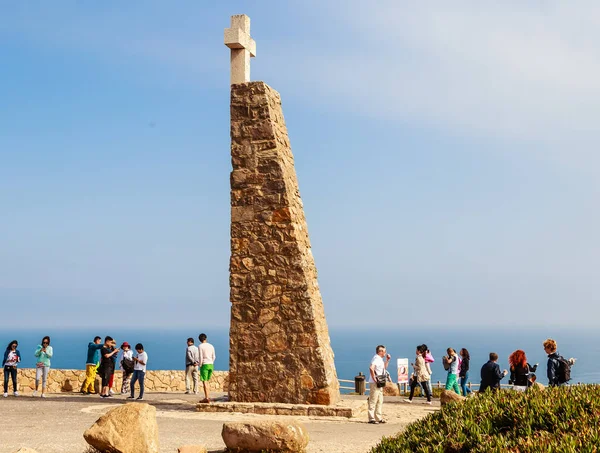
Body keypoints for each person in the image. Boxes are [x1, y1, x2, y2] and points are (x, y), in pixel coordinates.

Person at [368, 345, 390, 424]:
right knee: (373, 400)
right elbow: (371, 367)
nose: (385, 353)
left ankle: (378, 417)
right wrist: (374, 378)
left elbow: (383, 368)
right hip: (375, 383)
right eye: (384, 351)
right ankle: (371, 418)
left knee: (380, 400)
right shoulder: (376, 358)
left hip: (379, 382)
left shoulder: (380, 359)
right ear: (380, 351)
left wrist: (387, 360)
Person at [198, 333, 216, 403]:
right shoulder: (211, 346)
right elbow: (214, 356)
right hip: (211, 364)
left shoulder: (200, 346)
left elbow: (201, 357)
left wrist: (200, 364)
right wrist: (211, 362)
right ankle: (208, 396)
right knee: (207, 381)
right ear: (206, 338)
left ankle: (206, 397)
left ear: (200, 340)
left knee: (204, 381)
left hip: (204, 365)